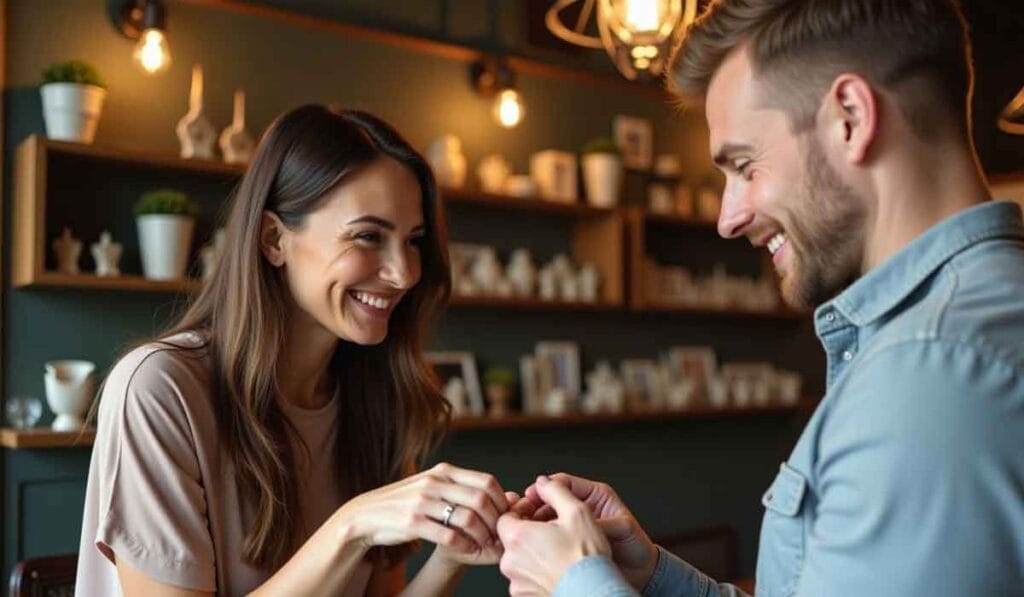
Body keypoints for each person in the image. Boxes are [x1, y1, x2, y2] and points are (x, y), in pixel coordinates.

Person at [496, 0, 1024, 595]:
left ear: (849, 117)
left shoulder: (931, 371)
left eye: (745, 165)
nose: (728, 217)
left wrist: (578, 584)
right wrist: (648, 577)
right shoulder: (955, 331)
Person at [75, 105, 513, 596]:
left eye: (413, 241)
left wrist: (450, 558)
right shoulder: (159, 389)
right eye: (368, 236)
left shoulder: (374, 399)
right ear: (273, 239)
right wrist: (352, 525)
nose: (404, 272)